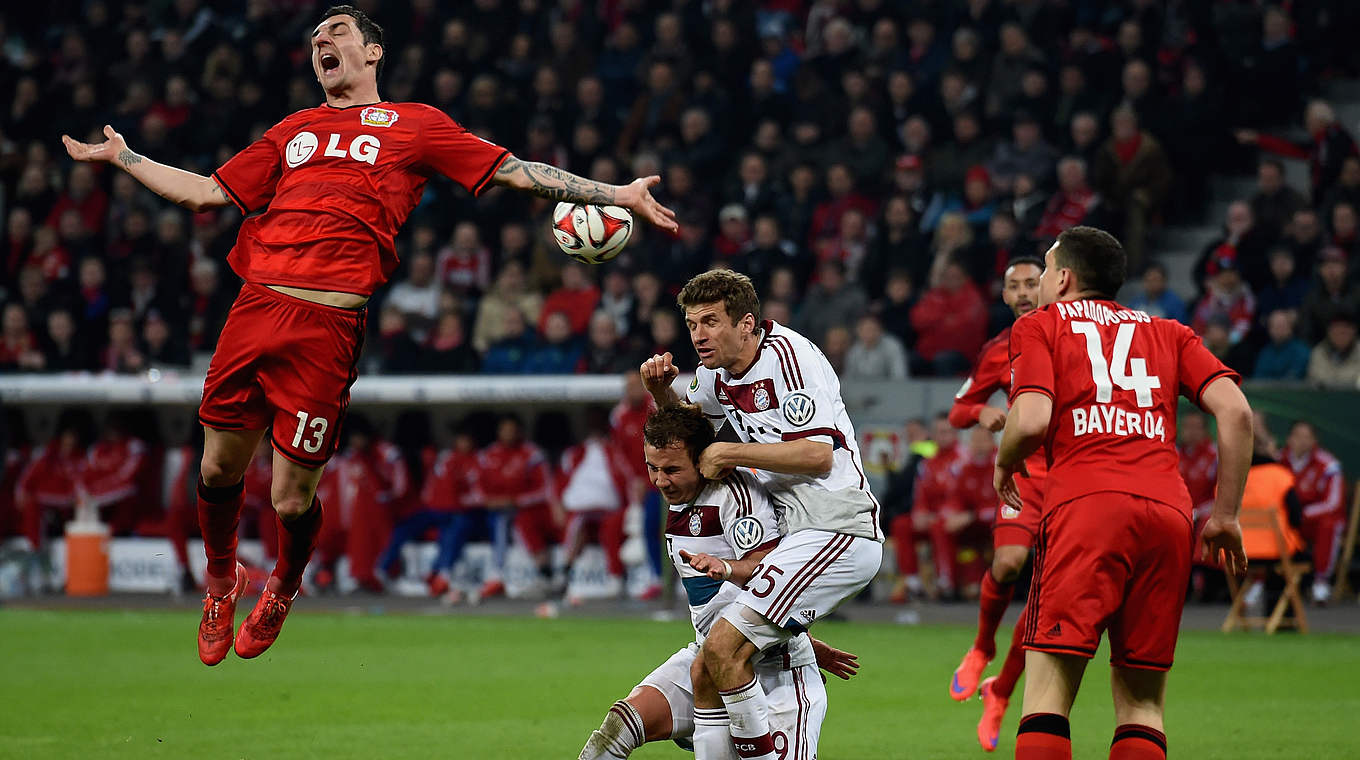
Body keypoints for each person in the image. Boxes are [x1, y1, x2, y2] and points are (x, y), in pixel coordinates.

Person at [61, 5, 676, 666]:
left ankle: (284, 585)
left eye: (338, 30)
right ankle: (220, 581)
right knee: (216, 467)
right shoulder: (293, 130)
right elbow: (207, 194)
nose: (322, 40)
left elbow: (514, 170)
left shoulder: (415, 125)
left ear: (373, 52)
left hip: (327, 327)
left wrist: (616, 195)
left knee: (290, 497)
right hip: (256, 306)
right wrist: (126, 158)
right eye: (317, 35)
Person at [995, 226, 1250, 760]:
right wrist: (1224, 515)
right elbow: (1236, 412)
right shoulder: (1171, 332)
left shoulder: (1039, 326)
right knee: (1141, 706)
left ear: (1063, 279)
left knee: (1046, 697)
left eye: (1043, 270)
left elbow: (1033, 418)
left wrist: (1005, 460)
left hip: (1087, 507)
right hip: (1168, 513)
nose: (1037, 283)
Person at [640, 269, 883, 760]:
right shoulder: (714, 375)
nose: (699, 336)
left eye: (710, 322)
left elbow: (818, 455)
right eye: (691, 325)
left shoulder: (790, 360)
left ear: (747, 323)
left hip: (835, 526)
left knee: (722, 647)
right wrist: (663, 395)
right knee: (711, 658)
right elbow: (695, 434)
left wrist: (732, 452)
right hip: (795, 536)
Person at [577, 404, 857, 760]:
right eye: (653, 468)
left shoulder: (735, 495)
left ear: (702, 461)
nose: (661, 480)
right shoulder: (678, 496)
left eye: (672, 470)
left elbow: (774, 572)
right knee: (619, 727)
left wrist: (726, 567)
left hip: (776, 672)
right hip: (708, 658)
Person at [943, 256, 1048, 751]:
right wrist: (984, 409)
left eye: (1033, 283)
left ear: (1051, 285)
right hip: (1025, 474)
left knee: (1047, 600)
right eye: (1015, 286)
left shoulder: (1073, 333)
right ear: (1004, 296)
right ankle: (983, 646)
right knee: (1009, 563)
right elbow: (959, 410)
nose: (1025, 292)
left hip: (1077, 476)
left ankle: (1001, 692)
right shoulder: (999, 348)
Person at [1281, 421, 1347, 604]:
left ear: (1314, 441)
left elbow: (1333, 503)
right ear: (1289, 439)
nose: (1301, 441)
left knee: (1330, 524)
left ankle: (1321, 583)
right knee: (1265, 521)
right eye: (1297, 436)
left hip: (1312, 520)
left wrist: (1302, 513)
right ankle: (1260, 582)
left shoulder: (1328, 465)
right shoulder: (1279, 460)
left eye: (1306, 437)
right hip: (1287, 520)